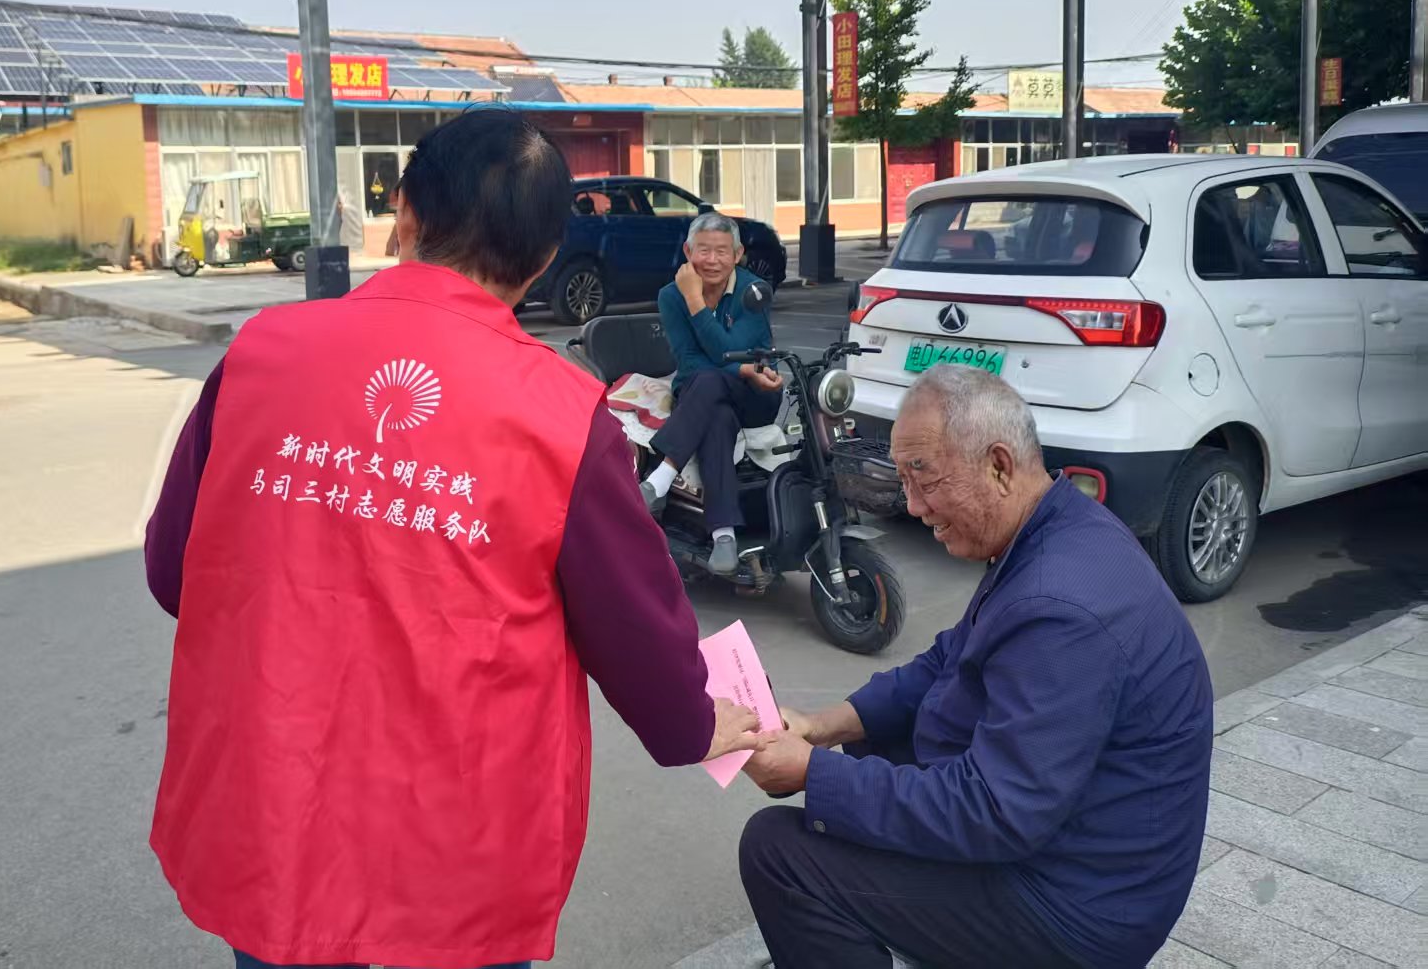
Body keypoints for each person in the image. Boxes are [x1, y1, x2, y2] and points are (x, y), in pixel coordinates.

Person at [144, 107, 760, 969]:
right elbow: (633, 622)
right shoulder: (561, 415)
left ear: (404, 213)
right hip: (458, 833)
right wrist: (693, 721)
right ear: (546, 256)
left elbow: (174, 570)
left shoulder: (260, 354)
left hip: (278, 797)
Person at [739, 365, 1213, 969]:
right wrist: (819, 728)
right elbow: (949, 658)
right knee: (875, 748)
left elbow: (995, 811)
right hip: (1077, 842)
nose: (914, 506)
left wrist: (812, 772)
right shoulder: (1056, 526)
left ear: (998, 466)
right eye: (904, 480)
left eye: (924, 477)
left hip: (1080, 909)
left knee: (778, 851)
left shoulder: (1058, 609)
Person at [638, 213, 782, 574]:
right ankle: (724, 535)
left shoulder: (754, 291)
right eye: (704, 250)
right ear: (688, 252)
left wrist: (695, 300)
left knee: (710, 378)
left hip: (755, 395)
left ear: (738, 254)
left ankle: (660, 477)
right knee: (715, 410)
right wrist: (740, 367)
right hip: (702, 392)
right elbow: (688, 361)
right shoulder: (670, 296)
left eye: (722, 251)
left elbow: (729, 352)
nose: (713, 260)